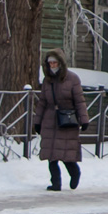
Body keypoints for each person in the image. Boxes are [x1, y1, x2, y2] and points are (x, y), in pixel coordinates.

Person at [37, 48, 89, 191]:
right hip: (50, 120)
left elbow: (79, 101)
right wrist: (37, 121)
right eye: (50, 63)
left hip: (67, 120)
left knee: (66, 155)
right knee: (51, 155)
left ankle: (75, 173)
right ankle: (56, 183)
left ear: (61, 63)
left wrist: (84, 119)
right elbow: (42, 102)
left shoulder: (72, 79)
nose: (52, 65)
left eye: (55, 62)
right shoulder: (47, 81)